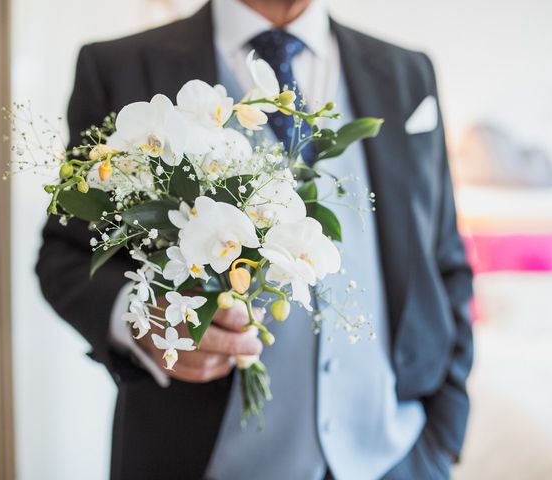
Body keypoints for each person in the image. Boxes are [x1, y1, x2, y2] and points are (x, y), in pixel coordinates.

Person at [36, 0, 474, 478]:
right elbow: (65, 256)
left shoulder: (408, 71)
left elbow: (444, 256)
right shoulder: (119, 67)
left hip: (399, 454)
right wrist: (141, 322)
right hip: (195, 457)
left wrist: (445, 436)